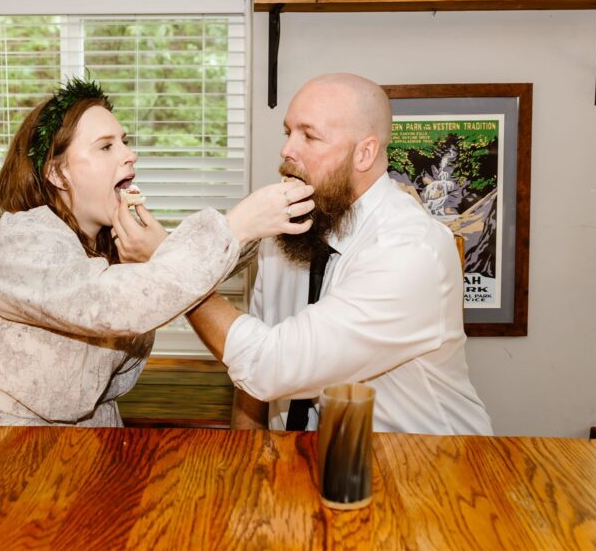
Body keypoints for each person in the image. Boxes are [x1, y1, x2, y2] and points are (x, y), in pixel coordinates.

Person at [0, 78, 314, 427]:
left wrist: (264, 225)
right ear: (57, 174)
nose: (130, 155)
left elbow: (178, 271)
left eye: (124, 141)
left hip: (80, 445)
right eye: (106, 146)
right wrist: (238, 224)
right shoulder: (15, 243)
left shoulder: (106, 244)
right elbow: (112, 302)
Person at [185, 73, 493, 435]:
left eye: (309, 136)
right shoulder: (287, 229)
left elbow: (269, 365)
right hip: (301, 463)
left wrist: (180, 280)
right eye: (288, 133)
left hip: (426, 467)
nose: (287, 150)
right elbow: (255, 370)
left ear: (364, 153)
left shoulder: (410, 251)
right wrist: (246, 461)